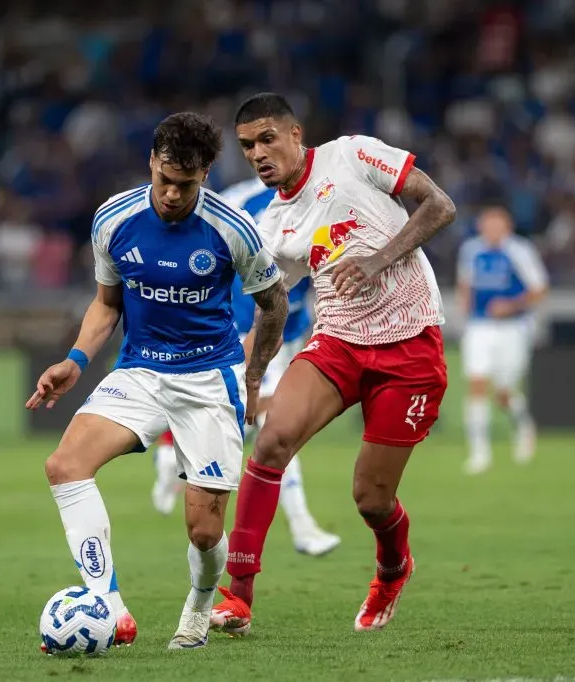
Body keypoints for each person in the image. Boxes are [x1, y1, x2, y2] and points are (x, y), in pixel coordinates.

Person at [27, 111, 288, 651]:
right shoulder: (113, 220)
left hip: (209, 380)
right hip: (140, 371)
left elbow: (274, 302)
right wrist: (75, 360)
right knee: (65, 466)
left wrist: (254, 375)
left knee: (204, 532)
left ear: (207, 174)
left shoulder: (232, 229)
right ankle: (109, 607)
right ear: (151, 161)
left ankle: (198, 604)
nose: (171, 194)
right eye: (165, 179)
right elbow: (106, 305)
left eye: (185, 185)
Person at [209, 93, 456, 635]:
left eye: (268, 138)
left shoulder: (355, 155)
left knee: (370, 498)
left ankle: (393, 569)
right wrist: (250, 378)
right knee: (272, 441)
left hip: (410, 346)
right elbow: (270, 310)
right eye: (248, 146)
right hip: (338, 345)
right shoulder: (273, 226)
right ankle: (237, 596)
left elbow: (440, 206)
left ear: (296, 134)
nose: (258, 153)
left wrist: (377, 259)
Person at [151, 176, 341, 558]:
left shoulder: (324, 195)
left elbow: (323, 269)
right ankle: (302, 527)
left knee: (255, 426)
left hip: (286, 332)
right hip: (242, 331)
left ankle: (171, 456)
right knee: (272, 425)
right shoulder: (241, 202)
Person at [456, 206, 549, 475]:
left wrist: (511, 305)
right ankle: (479, 453)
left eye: (497, 224)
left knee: (504, 393)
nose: (491, 230)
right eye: (487, 224)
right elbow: (466, 284)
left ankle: (523, 425)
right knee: (476, 383)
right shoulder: (471, 250)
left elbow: (540, 289)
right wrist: (466, 308)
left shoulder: (520, 250)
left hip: (513, 327)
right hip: (480, 325)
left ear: (507, 226)